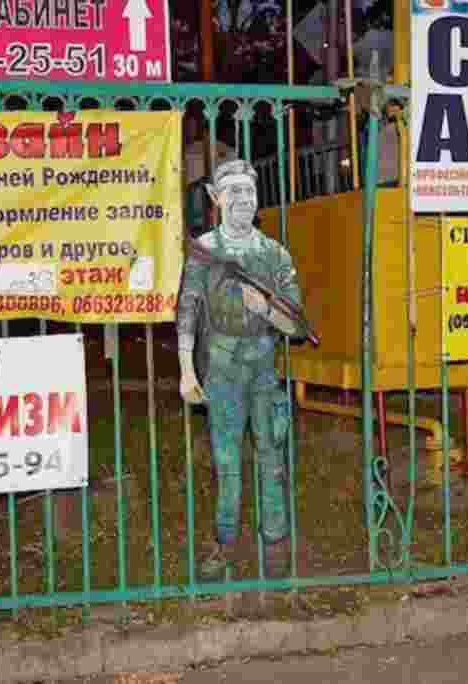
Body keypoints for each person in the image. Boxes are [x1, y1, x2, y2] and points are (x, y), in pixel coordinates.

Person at [176, 158, 305, 580]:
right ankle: (225, 543)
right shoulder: (204, 252)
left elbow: (297, 326)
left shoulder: (274, 254)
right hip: (221, 366)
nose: (242, 200)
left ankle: (275, 543)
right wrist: (186, 372)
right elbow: (187, 313)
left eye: (248, 191)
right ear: (216, 198)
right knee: (226, 460)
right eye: (232, 191)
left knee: (272, 457)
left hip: (264, 366)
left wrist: (266, 308)